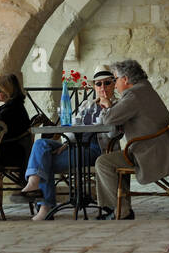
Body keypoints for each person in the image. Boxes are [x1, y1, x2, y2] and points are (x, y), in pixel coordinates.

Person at [20, 66, 118, 221]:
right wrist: (66, 143)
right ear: (94, 86)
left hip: (96, 148)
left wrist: (108, 109)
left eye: (107, 83)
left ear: (114, 84)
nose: (103, 87)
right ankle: (34, 182)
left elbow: (114, 134)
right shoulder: (87, 104)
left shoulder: (117, 105)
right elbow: (72, 126)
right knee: (41, 145)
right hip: (75, 144)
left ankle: (45, 206)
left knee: (45, 162)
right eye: (99, 84)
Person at [94, 60, 169, 220]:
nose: (115, 84)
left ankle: (120, 209)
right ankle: (121, 208)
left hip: (151, 154)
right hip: (161, 150)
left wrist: (106, 105)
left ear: (125, 79)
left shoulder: (134, 95)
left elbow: (109, 120)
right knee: (115, 159)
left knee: (103, 162)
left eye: (115, 80)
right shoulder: (145, 89)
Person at [0, 72, 32, 171]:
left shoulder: (9, 111)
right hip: (18, 151)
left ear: (7, 91)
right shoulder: (16, 107)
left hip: (11, 153)